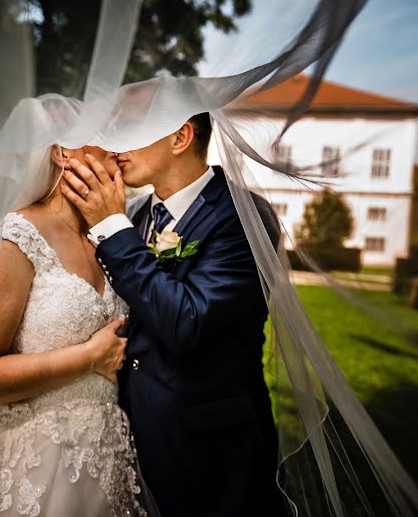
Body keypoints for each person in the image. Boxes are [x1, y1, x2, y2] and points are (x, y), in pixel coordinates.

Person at [61, 113, 286, 517]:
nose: (114, 145)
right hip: (125, 438)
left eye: (129, 130)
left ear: (181, 136)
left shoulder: (246, 219)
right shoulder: (133, 214)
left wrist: (112, 228)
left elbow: (187, 322)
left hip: (211, 452)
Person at [0, 145, 157, 517]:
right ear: (63, 152)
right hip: (31, 466)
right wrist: (88, 358)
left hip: (109, 456)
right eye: (107, 134)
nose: (121, 146)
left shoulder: (111, 239)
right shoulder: (17, 235)